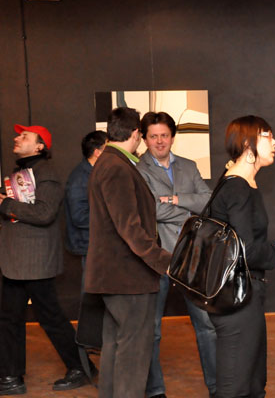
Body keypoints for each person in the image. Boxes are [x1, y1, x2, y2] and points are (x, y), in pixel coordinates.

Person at [207, 115, 275, 397]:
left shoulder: (240, 183)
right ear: (248, 143)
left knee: (252, 383)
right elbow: (244, 250)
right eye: (268, 136)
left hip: (242, 295)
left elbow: (243, 244)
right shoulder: (238, 187)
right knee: (237, 388)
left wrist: (272, 253)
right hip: (236, 300)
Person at [85, 107, 172, 398]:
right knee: (133, 355)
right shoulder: (117, 167)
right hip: (128, 278)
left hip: (116, 278)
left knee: (115, 347)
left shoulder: (107, 162)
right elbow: (130, 229)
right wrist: (165, 262)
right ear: (136, 133)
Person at [0, 124, 90, 395]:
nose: (17, 138)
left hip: (35, 261)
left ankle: (80, 367)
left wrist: (4, 204)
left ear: (40, 146)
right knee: (10, 319)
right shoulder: (22, 172)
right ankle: (11, 376)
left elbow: (44, 213)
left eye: (24, 136)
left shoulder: (46, 173)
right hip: (17, 261)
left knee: (50, 317)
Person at [136, 112, 217, 398]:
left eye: (164, 135)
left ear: (172, 137)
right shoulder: (138, 169)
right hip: (155, 259)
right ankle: (154, 390)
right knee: (152, 330)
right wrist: (188, 210)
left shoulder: (188, 166)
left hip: (192, 256)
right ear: (144, 139)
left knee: (206, 325)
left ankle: (217, 387)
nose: (159, 141)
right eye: (153, 136)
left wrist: (175, 199)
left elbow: (209, 201)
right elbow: (150, 210)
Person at [64, 130, 108, 292]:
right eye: (109, 148)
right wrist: (111, 220)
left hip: (97, 243)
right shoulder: (80, 178)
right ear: (97, 152)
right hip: (89, 244)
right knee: (92, 291)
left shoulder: (95, 173)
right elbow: (79, 216)